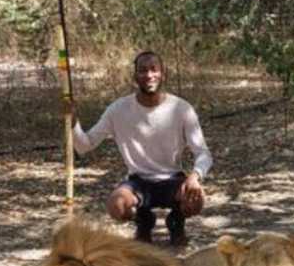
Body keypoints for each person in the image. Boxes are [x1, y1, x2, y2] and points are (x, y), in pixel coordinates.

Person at [72, 51, 211, 246]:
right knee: (117, 206)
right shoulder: (118, 110)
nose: (149, 75)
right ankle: (144, 222)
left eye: (154, 70)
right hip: (138, 182)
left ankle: (176, 222)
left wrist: (195, 176)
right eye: (143, 70)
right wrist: (73, 122)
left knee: (196, 200)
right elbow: (84, 145)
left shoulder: (181, 108)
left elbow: (203, 152)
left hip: (172, 179)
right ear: (135, 76)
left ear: (163, 73)